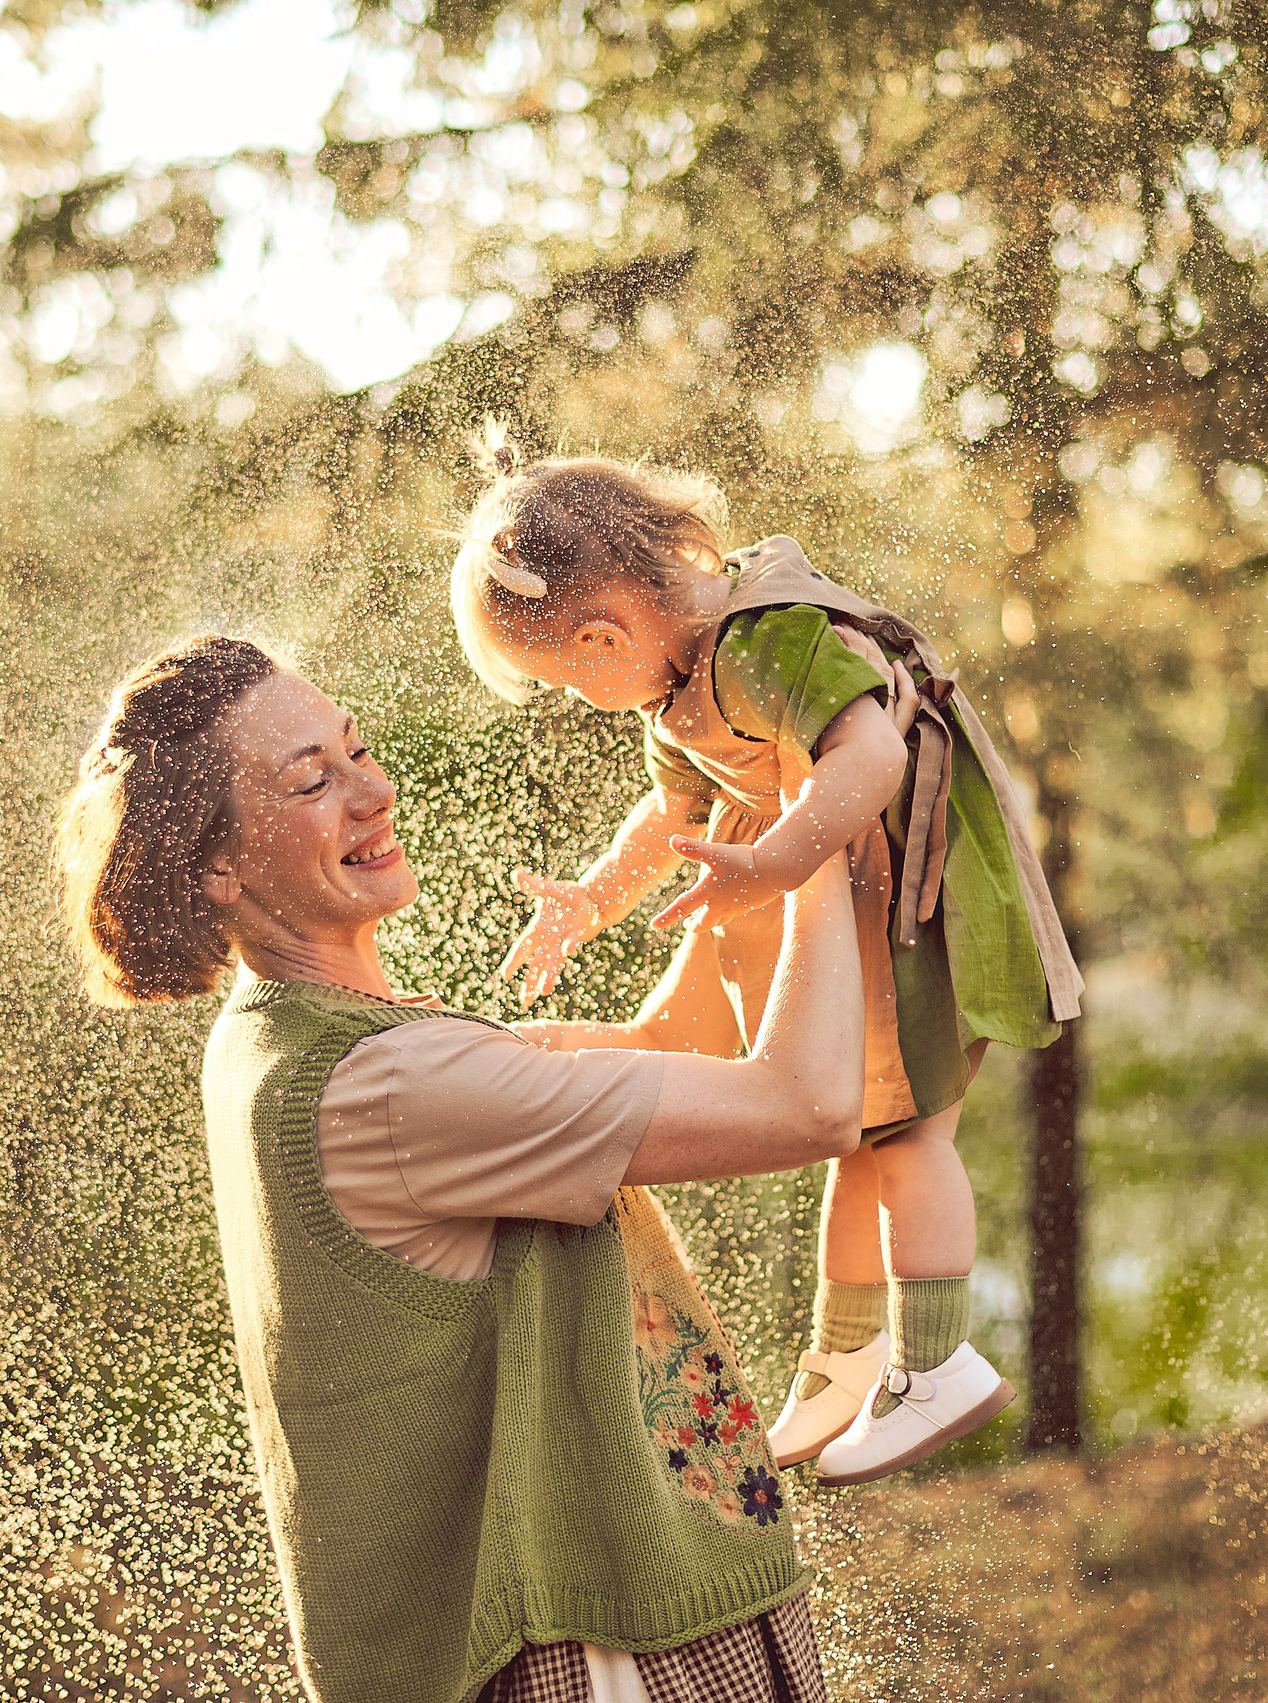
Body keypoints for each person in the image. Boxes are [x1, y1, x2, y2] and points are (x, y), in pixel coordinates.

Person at [53, 634, 876, 1703]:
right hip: (596, 1642)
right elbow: (809, 1105)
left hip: (612, 1617)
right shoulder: (386, 1086)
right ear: (216, 863)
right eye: (311, 780)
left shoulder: (288, 1038)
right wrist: (820, 827)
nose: (373, 792)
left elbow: (671, 1045)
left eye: (356, 750)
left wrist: (751, 838)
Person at [449, 437, 1085, 1484]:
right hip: (858, 902)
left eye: (565, 680)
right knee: (862, 1139)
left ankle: (939, 1363)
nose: (578, 697)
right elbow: (671, 813)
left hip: (914, 902)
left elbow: (872, 753)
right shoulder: (677, 681)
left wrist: (778, 859)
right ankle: (848, 1357)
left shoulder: (766, 642)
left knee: (912, 1135)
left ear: (602, 637)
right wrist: (594, 898)